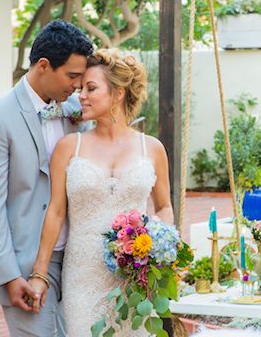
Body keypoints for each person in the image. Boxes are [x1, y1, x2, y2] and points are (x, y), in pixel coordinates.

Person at [28, 49, 174, 335]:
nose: (80, 95)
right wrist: (39, 274)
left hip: (135, 279)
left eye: (90, 88)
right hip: (83, 278)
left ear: (118, 93)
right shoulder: (70, 147)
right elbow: (56, 212)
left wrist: (155, 239)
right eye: (80, 88)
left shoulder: (152, 148)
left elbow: (165, 207)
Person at [0, 19, 94, 336]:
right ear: (43, 66)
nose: (78, 85)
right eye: (73, 76)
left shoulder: (79, 108)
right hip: (26, 264)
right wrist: (8, 276)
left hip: (80, 258)